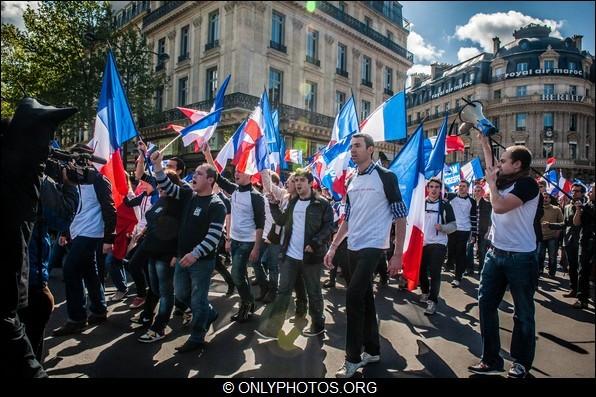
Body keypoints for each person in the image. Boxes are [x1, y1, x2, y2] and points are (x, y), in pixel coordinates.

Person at [324, 133, 407, 378]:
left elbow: (400, 216)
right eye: (351, 147)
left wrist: (398, 254)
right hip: (352, 246)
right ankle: (373, 350)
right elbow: (347, 219)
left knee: (352, 298)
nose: (353, 150)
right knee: (366, 300)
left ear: (371, 150)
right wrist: (333, 246)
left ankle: (352, 359)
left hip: (373, 247)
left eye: (358, 146)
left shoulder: (386, 176)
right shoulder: (351, 179)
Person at [468, 135, 540, 379]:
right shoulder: (502, 178)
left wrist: (490, 183)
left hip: (521, 257)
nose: (498, 165)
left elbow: (498, 206)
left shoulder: (527, 185)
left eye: (503, 160)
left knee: (523, 313)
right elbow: (490, 166)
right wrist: (485, 143)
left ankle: (520, 363)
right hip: (494, 253)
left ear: (517, 165)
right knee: (486, 304)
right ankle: (491, 359)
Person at [151, 150, 226, 353]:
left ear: (210, 180)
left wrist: (195, 254)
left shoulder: (217, 205)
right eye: (194, 173)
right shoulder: (187, 195)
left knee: (197, 299)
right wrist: (157, 165)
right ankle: (208, 313)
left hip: (201, 262)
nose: (194, 176)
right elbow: (166, 184)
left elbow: (213, 237)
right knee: (182, 295)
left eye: (199, 174)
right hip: (182, 258)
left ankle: (197, 336)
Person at [256, 169, 333, 339]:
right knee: (283, 291)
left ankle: (318, 325)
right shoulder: (292, 201)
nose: (298, 183)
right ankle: (273, 330)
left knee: (313, 292)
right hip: (290, 256)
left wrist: (315, 243)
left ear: (310, 182)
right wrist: (273, 204)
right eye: (296, 180)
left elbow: (329, 227)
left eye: (301, 180)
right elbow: (281, 221)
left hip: (310, 258)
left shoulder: (322, 204)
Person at [52, 144, 116, 336]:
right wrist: (64, 232)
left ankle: (77, 318)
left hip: (92, 234)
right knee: (90, 271)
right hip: (76, 232)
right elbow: (70, 207)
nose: (72, 162)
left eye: (76, 158)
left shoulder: (98, 180)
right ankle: (99, 309)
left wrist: (108, 238)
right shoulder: (70, 179)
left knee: (70, 269)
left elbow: (110, 209)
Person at [202, 144, 265, 323]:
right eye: (236, 170)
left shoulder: (256, 197)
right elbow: (216, 175)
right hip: (235, 240)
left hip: (248, 242)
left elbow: (260, 224)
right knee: (241, 274)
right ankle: (249, 301)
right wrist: (207, 153)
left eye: (240, 171)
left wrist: (256, 248)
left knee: (237, 274)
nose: (236, 173)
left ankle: (246, 303)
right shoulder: (234, 190)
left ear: (250, 174)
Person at [137, 170, 183, 343]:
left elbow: (182, 231)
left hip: (166, 255)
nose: (158, 187)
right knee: (155, 290)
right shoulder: (160, 200)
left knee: (165, 293)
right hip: (152, 253)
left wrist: (176, 254)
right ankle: (185, 308)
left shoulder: (178, 204)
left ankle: (159, 327)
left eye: (162, 184)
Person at [419, 178, 457, 315]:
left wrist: (443, 227)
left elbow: (454, 226)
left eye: (436, 187)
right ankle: (424, 292)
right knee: (421, 271)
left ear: (440, 190)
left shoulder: (445, 205)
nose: (434, 189)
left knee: (435, 272)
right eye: (431, 187)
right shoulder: (420, 204)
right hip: (422, 243)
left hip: (439, 244)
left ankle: (432, 301)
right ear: (428, 188)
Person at [446, 180, 477, 286]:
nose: (461, 188)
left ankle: (458, 276)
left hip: (465, 230)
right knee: (451, 251)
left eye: (464, 186)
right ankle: (451, 264)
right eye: (460, 186)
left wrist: (474, 234)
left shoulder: (472, 201)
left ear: (468, 188)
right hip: (452, 229)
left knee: (460, 253)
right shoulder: (451, 196)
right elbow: (440, 193)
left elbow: (473, 218)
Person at [571, 183, 594, 309]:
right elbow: (576, 223)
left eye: (592, 191)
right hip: (585, 242)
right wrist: (579, 210)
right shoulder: (585, 206)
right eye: (589, 191)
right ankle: (582, 298)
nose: (589, 193)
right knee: (583, 271)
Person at [539, 192, 563, 278]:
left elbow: (562, 222)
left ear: (550, 199)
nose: (545, 199)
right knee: (540, 256)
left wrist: (557, 233)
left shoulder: (557, 209)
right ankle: (540, 271)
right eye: (543, 197)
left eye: (547, 197)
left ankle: (552, 273)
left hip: (552, 237)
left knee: (552, 257)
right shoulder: (537, 208)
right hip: (540, 237)